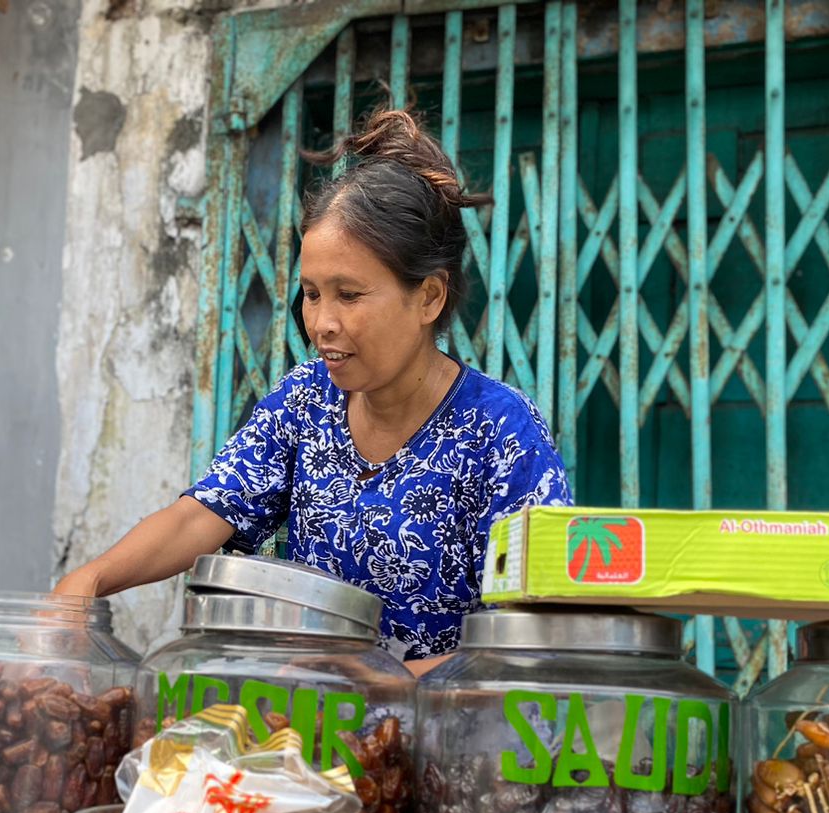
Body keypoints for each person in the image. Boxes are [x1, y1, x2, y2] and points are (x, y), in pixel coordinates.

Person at [55, 108, 571, 671]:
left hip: (445, 737)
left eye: (349, 295)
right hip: (310, 734)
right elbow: (201, 515)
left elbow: (531, 636)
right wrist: (89, 580)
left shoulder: (500, 431)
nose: (321, 323)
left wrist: (383, 682)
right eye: (311, 293)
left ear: (429, 297)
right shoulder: (308, 399)